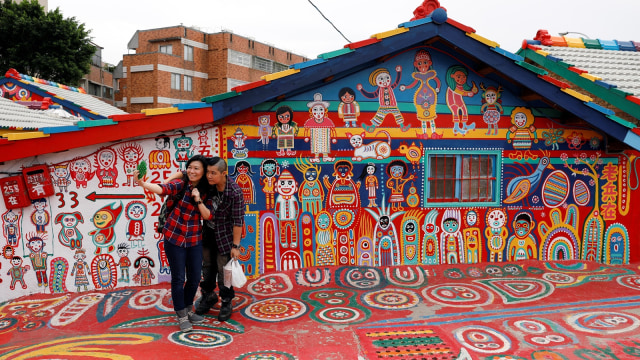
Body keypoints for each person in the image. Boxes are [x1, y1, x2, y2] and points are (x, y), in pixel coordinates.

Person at [133, 154, 212, 332]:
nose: (192, 171)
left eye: (196, 168)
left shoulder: (208, 191)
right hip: (174, 237)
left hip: (193, 238)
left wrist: (198, 198)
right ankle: (182, 315)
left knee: (194, 278)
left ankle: (187, 308)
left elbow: (207, 215)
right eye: (190, 167)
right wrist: (143, 184)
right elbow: (163, 189)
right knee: (178, 278)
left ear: (204, 172)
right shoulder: (181, 184)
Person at [197, 157, 245, 321]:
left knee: (225, 271)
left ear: (223, 173)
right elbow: (185, 174)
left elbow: (238, 221)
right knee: (207, 267)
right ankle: (208, 296)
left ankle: (226, 301)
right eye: (208, 172)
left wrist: (236, 246)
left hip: (225, 236)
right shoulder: (208, 187)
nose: (209, 176)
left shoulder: (235, 192)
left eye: (213, 173)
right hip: (208, 233)